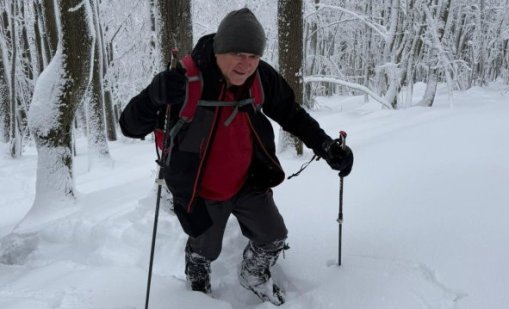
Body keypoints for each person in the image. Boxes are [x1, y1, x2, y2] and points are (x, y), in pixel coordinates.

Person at [119, 8, 353, 306]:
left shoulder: (260, 76)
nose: (246, 64)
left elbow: (289, 113)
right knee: (206, 249)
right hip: (200, 191)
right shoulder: (183, 81)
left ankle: (254, 273)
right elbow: (129, 126)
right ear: (219, 50)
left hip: (248, 181)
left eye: (253, 56)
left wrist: (325, 145)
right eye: (238, 54)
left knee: (273, 237)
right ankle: (197, 265)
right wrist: (151, 97)